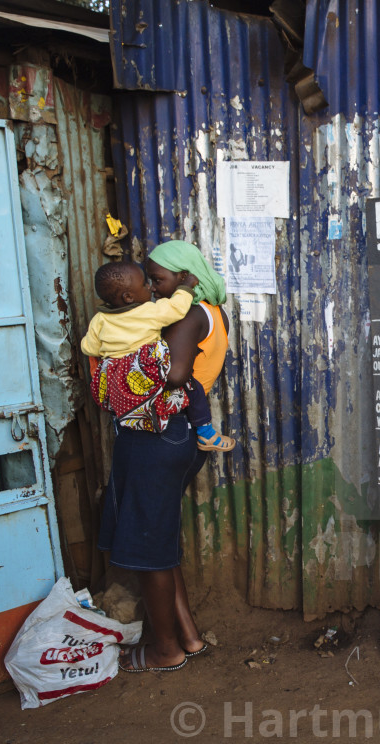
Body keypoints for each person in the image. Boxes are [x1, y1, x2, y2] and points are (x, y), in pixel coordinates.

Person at [97, 240, 233, 673]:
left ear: (184, 274)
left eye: (158, 280)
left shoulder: (189, 313)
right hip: (182, 436)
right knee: (160, 539)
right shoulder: (212, 311)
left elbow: (174, 375)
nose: (153, 291)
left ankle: (166, 651)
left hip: (159, 435)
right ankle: (189, 637)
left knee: (148, 545)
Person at [81, 261, 233, 450]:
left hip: (117, 377)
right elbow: (176, 308)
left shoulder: (99, 319)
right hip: (146, 370)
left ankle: (131, 426)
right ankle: (205, 432)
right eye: (145, 284)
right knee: (193, 388)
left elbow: (89, 347)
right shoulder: (148, 312)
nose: (150, 288)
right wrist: (186, 288)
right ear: (129, 297)